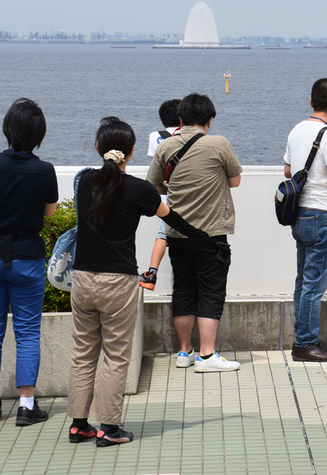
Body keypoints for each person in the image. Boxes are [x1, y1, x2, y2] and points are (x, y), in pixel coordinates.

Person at [68, 117, 215, 446]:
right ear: (132, 152)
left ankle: (79, 425)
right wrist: (203, 238)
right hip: (117, 281)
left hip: (82, 278)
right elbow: (172, 219)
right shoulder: (138, 189)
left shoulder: (83, 183)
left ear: (97, 149)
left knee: (83, 353)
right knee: (116, 356)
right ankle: (108, 427)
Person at [0, 98, 58, 426]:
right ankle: (25, 406)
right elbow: (48, 213)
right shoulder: (44, 170)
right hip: (26, 256)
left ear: (8, 129)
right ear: (39, 134)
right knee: (27, 333)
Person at [146, 93, 243, 372]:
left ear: (180, 119)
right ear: (209, 120)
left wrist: (173, 188)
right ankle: (207, 355)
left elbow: (153, 185)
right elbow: (235, 180)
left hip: (176, 234)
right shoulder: (219, 143)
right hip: (211, 234)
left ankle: (184, 352)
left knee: (184, 290)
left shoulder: (166, 146)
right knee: (211, 292)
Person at [284, 78, 327, 362]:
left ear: (311, 101)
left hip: (300, 212)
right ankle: (306, 344)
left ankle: (304, 338)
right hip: (323, 213)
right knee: (315, 283)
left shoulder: (297, 130)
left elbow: (289, 171)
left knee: (303, 279)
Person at [140, 98, 181, 291]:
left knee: (162, 235)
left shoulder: (155, 136)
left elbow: (155, 166)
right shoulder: (190, 135)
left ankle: (152, 272)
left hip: (164, 195)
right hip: (187, 193)